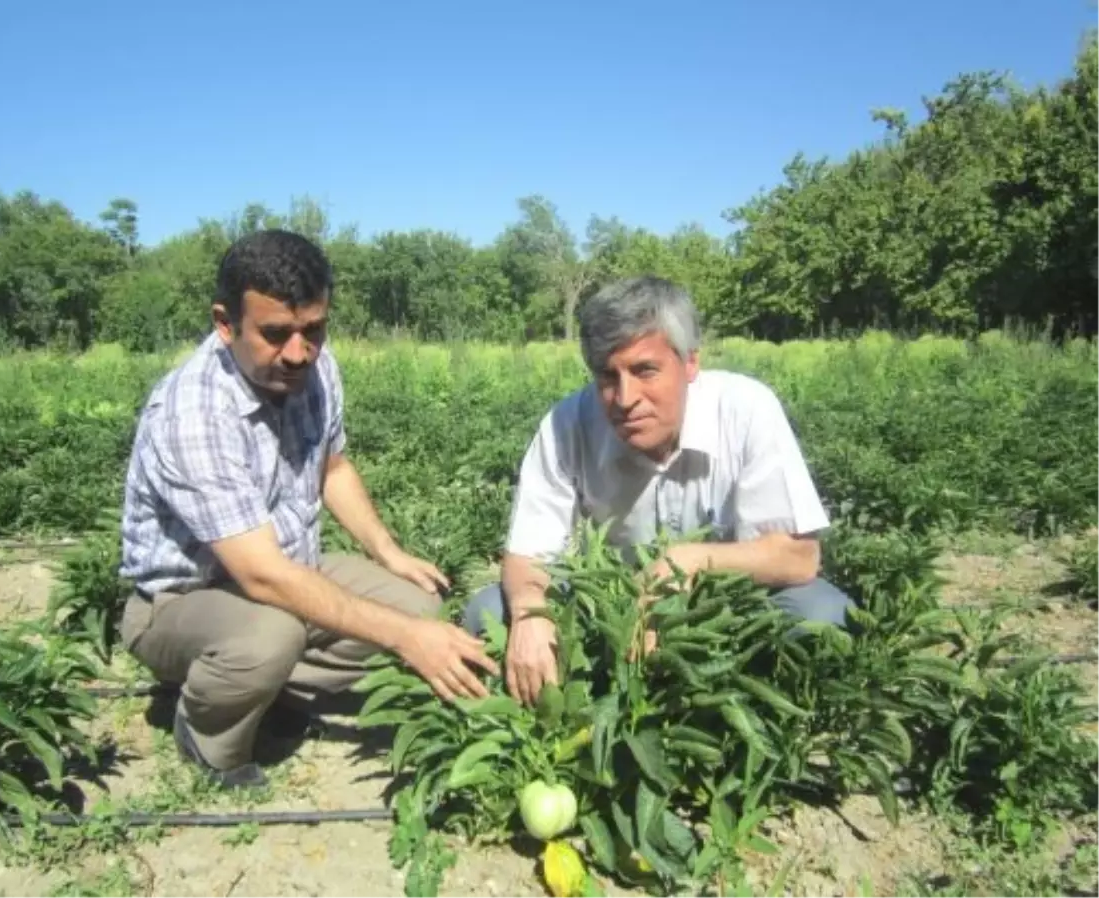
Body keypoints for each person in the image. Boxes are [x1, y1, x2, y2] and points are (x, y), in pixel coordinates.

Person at [117, 229, 498, 789]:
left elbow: (333, 467)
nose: (298, 352)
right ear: (225, 324)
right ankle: (208, 738)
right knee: (269, 638)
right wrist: (403, 639)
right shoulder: (193, 412)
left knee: (418, 605)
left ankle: (272, 692)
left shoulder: (315, 367)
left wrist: (387, 551)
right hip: (183, 600)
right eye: (274, 334)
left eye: (313, 329)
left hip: (285, 571)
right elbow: (262, 575)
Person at [462, 276, 854, 706]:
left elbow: (798, 556)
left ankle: (763, 714)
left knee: (822, 617)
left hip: (727, 604)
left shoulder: (745, 410)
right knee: (489, 615)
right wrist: (530, 614)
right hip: (614, 604)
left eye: (645, 370)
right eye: (608, 376)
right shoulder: (566, 425)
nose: (625, 397)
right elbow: (527, 554)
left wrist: (688, 563)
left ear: (689, 363)